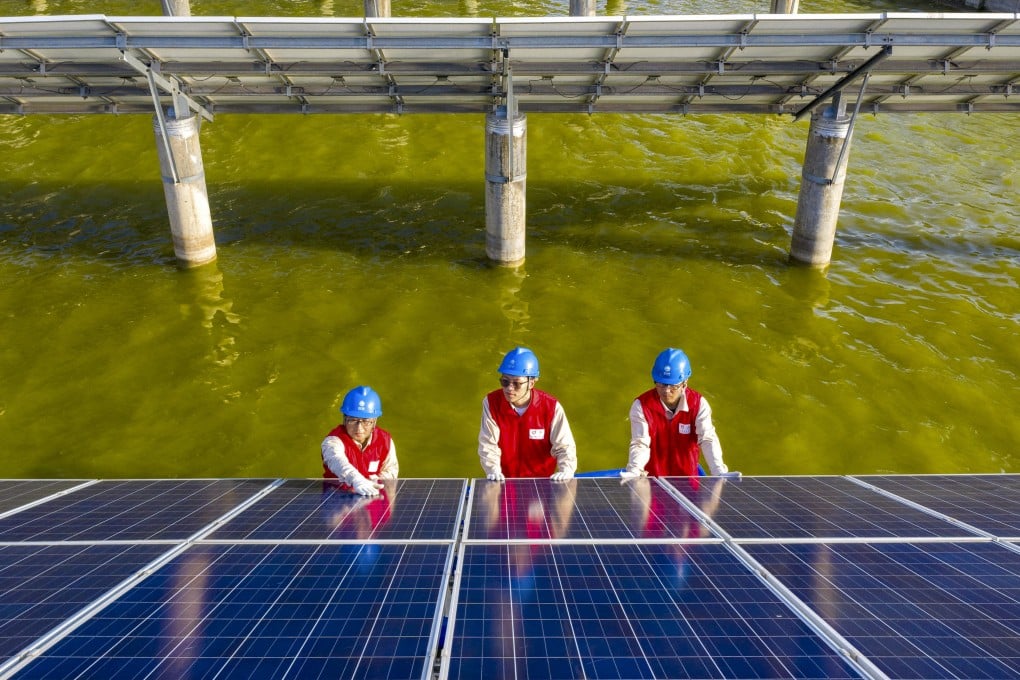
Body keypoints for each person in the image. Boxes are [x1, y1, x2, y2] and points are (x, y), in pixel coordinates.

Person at [622, 348, 738, 479]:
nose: (666, 391)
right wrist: (634, 470)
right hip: (653, 481)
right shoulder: (641, 406)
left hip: (688, 481)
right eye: (661, 384)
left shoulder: (698, 404)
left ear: (685, 383)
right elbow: (640, 442)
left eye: (673, 386)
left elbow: (707, 439)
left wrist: (718, 471)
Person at [478, 346, 577, 481]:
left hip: (541, 485)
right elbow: (488, 444)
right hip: (504, 481)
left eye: (517, 383)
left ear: (532, 382)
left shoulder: (551, 407)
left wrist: (566, 470)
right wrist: (493, 470)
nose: (509, 388)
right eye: (505, 382)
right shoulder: (491, 403)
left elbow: (564, 447)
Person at [321, 385, 398, 496]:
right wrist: (356, 479)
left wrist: (374, 480)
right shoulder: (333, 441)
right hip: (338, 501)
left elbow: (391, 471)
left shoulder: (385, 441)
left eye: (366, 421)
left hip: (373, 499)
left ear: (374, 421)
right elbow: (336, 460)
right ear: (344, 419)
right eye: (352, 420)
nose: (359, 428)